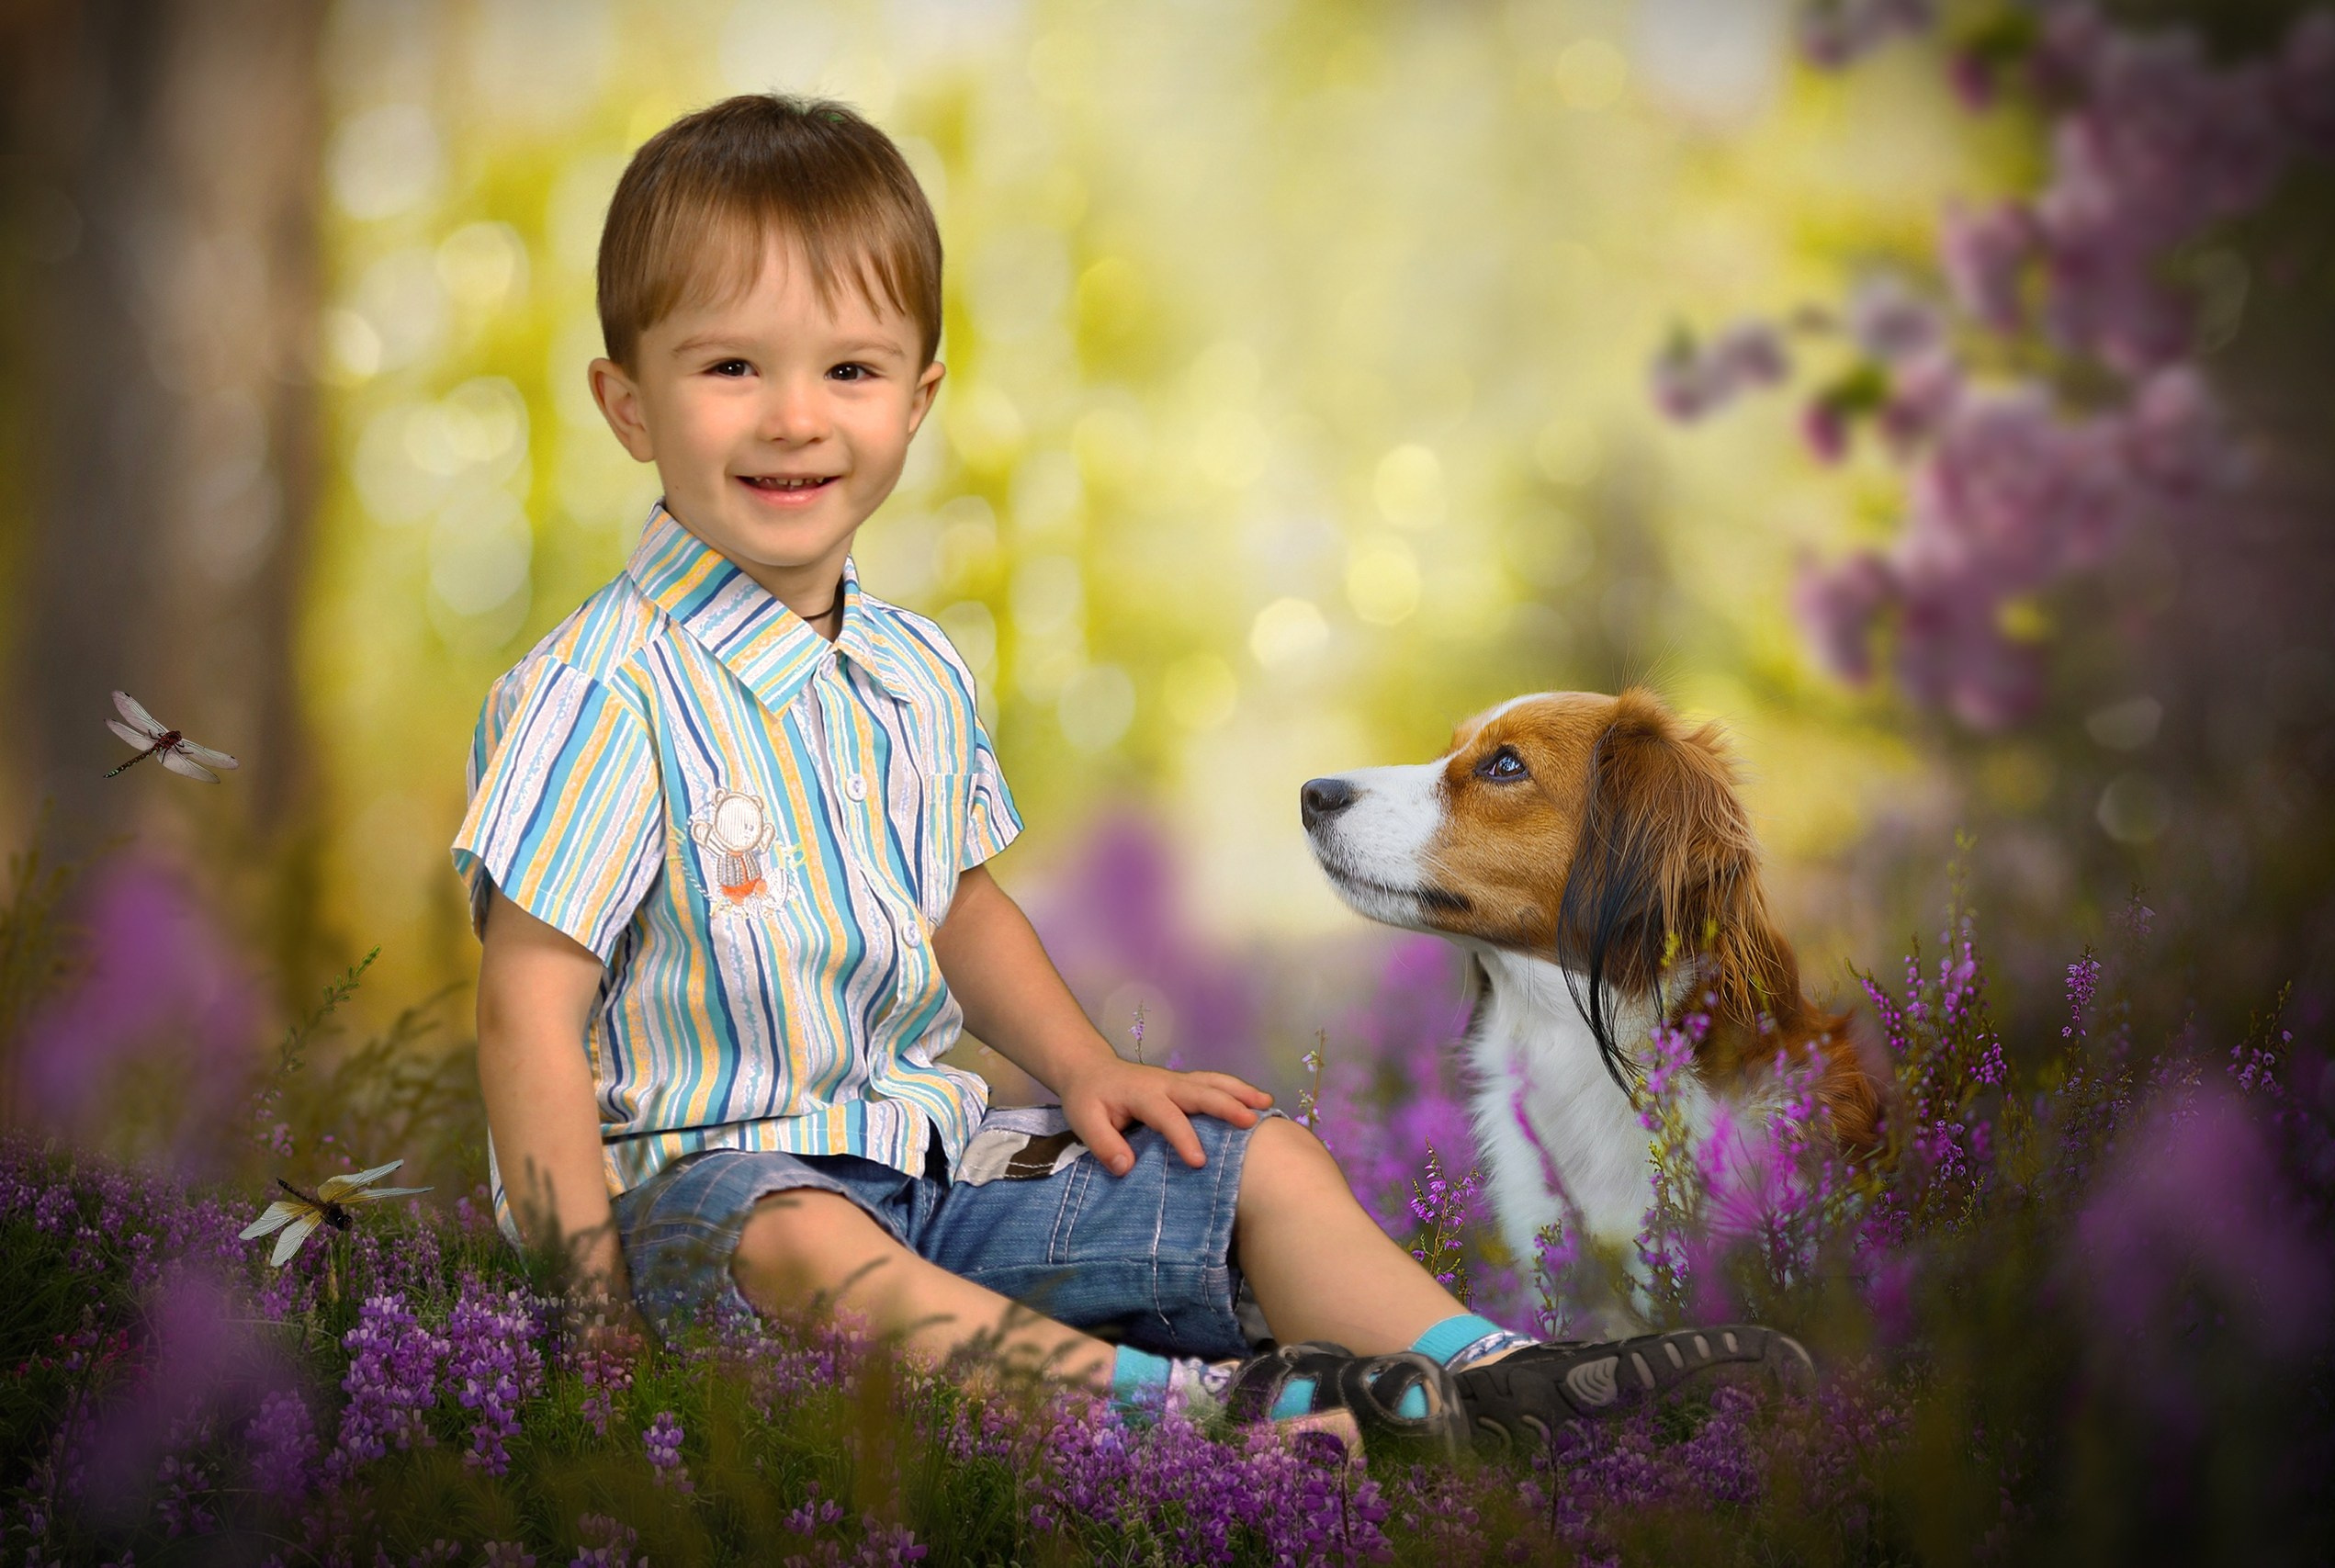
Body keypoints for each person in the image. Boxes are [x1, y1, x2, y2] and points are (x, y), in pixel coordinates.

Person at [452, 92, 1810, 1455]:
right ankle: (1205, 1416)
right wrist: (589, 1300)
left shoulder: (913, 672)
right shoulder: (602, 691)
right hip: (702, 1213)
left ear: (918, 401)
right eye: (732, 367)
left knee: (1261, 1159)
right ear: (629, 405)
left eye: (851, 370)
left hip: (934, 1180)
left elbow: (960, 906)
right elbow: (526, 1011)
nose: (795, 417)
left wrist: (1089, 1066)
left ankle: (1495, 1383)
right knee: (801, 1238)